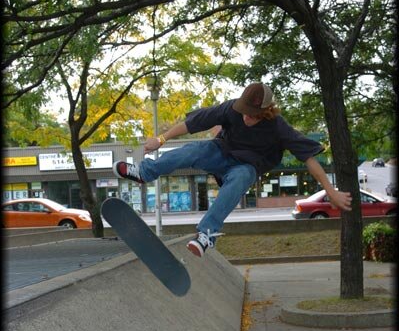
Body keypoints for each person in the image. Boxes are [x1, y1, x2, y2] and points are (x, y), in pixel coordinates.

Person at [113, 82, 352, 257]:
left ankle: (207, 234)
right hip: (221, 152)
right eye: (245, 112)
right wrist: (161, 139)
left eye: (253, 115)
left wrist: (330, 191)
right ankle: (144, 173)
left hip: (247, 167)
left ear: (267, 112)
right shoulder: (231, 110)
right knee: (193, 151)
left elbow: (308, 158)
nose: (246, 118)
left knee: (240, 179)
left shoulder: (279, 128)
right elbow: (193, 123)